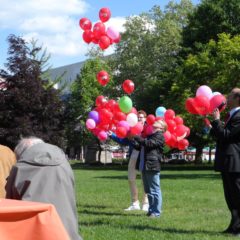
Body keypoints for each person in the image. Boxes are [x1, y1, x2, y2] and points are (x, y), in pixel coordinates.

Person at [5, 137, 82, 240]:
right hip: (66, 231)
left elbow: (11, 205)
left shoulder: (19, 168)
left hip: (33, 231)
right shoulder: (64, 164)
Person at [210, 88, 240, 235]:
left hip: (235, 162)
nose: (226, 98)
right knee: (230, 197)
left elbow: (226, 135)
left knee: (237, 195)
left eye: (229, 96)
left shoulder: (239, 116)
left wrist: (216, 121)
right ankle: (234, 227)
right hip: (227, 161)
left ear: (237, 98)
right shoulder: (230, 115)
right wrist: (213, 125)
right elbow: (218, 134)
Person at [110, 110, 149, 211]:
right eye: (138, 117)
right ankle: (134, 203)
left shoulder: (149, 129)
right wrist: (112, 135)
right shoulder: (131, 128)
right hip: (134, 154)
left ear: (145, 118)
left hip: (145, 156)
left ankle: (146, 203)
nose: (140, 118)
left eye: (141, 117)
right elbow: (123, 140)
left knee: (145, 180)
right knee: (131, 178)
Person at [131, 119, 166, 217]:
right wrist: (133, 138)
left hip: (152, 165)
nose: (155, 123)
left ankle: (156, 212)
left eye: (158, 123)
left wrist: (137, 137)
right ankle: (151, 210)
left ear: (161, 128)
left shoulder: (160, 136)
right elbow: (139, 146)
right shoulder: (150, 136)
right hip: (145, 165)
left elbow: (149, 144)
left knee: (154, 189)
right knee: (148, 190)